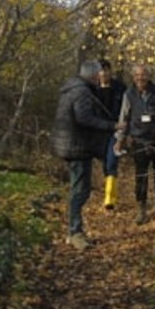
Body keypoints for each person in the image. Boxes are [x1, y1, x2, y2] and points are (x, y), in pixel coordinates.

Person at [51, 59, 124, 250]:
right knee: (80, 191)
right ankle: (74, 232)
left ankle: (75, 229)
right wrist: (112, 125)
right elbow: (84, 118)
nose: (100, 77)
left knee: (79, 189)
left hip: (71, 145)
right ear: (93, 75)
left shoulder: (73, 88)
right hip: (76, 147)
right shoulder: (82, 91)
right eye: (98, 74)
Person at [114, 63, 155, 225]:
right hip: (139, 140)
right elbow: (124, 117)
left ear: (148, 76)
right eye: (137, 75)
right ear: (133, 77)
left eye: (143, 75)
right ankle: (141, 209)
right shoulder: (129, 94)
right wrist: (120, 139)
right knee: (140, 176)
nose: (141, 78)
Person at [95, 59, 128, 212]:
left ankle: (110, 199)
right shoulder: (92, 89)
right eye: (101, 70)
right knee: (104, 164)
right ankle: (107, 191)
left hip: (116, 130)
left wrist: (124, 132)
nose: (104, 73)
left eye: (107, 70)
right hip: (98, 132)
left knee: (111, 162)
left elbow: (126, 111)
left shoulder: (120, 89)